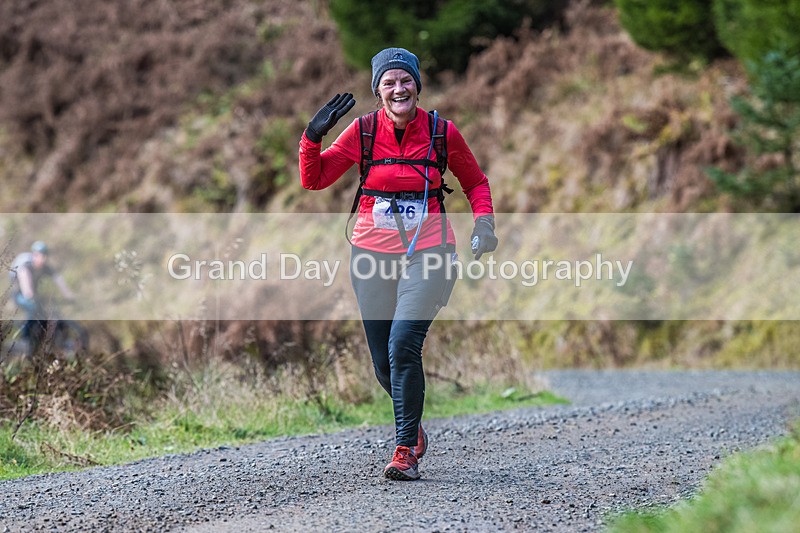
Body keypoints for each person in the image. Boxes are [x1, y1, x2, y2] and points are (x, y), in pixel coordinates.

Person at [298, 47, 497, 480]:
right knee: (382, 362)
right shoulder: (363, 132)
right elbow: (313, 179)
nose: (398, 88)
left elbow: (476, 182)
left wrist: (485, 225)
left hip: (430, 251)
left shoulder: (442, 133)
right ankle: (415, 427)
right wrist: (312, 138)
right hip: (371, 254)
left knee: (403, 341)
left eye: (405, 80)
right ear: (378, 91)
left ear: (417, 85)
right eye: (388, 82)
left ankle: (404, 449)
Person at [9, 241, 75, 354]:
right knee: (33, 308)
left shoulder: (45, 267)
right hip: (20, 295)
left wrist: (68, 294)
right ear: (34, 255)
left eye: (45, 256)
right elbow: (26, 285)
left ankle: (58, 338)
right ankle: (25, 339)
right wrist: (30, 294)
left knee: (50, 311)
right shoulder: (26, 266)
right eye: (40, 255)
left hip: (34, 294)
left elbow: (58, 279)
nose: (43, 259)